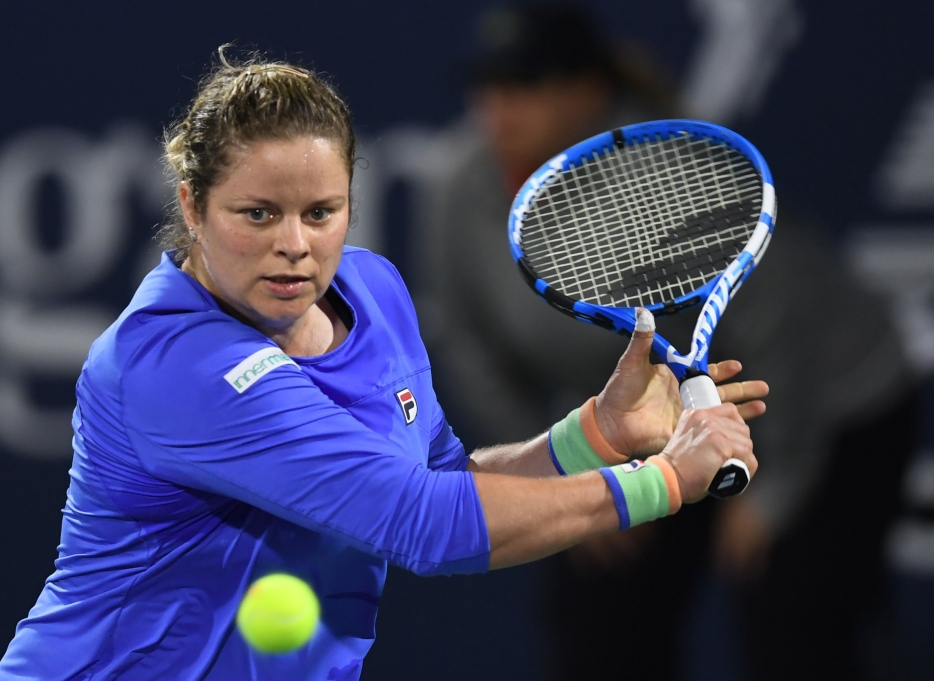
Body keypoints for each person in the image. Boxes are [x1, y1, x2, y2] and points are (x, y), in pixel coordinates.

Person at [0, 52, 766, 680]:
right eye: (257, 213)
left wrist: (595, 432)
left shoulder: (375, 290)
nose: (295, 244)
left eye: (321, 212)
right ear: (193, 207)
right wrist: (665, 481)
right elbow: (422, 524)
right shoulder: (173, 364)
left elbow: (443, 484)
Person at [423, 5, 912, 679]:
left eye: (527, 86)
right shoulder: (460, 185)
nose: (499, 110)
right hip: (642, 420)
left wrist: (774, 495)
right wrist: (568, 476)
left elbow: (782, 334)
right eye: (489, 87)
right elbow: (474, 349)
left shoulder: (674, 170)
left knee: (792, 633)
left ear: (587, 91)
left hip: (821, 407)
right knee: (602, 632)